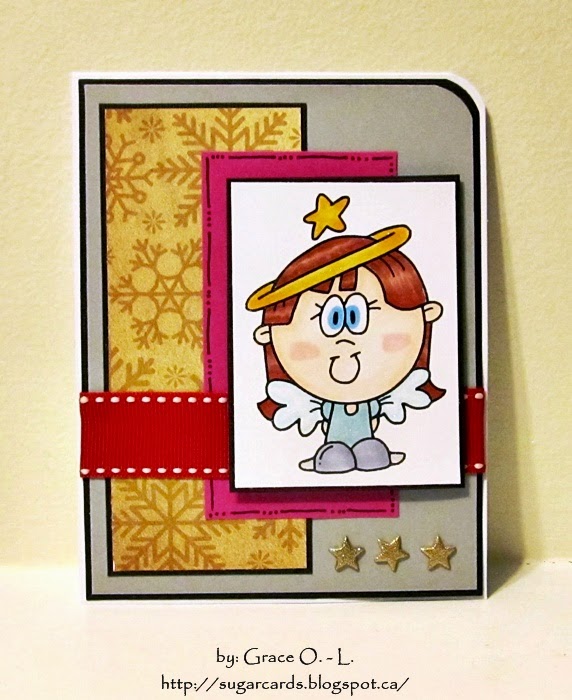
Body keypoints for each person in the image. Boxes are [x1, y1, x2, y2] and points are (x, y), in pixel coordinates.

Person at [246, 224, 444, 473]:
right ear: (268, 334)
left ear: (426, 314)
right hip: (333, 445)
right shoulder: (317, 403)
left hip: (369, 443)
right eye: (333, 320)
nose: (345, 340)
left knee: (371, 452)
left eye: (355, 317)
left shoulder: (382, 396)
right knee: (335, 456)